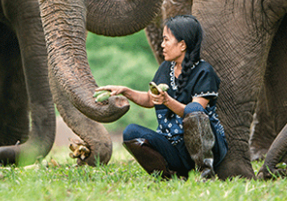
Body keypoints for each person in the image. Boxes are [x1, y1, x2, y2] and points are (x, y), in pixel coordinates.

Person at [96, 15, 227, 180]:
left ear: (182, 45)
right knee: (131, 132)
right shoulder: (166, 68)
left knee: (194, 109)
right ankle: (169, 175)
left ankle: (205, 172)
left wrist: (167, 101)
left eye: (166, 40)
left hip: (203, 148)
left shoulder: (204, 72)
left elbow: (195, 112)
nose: (162, 45)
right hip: (172, 145)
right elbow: (150, 100)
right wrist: (125, 90)